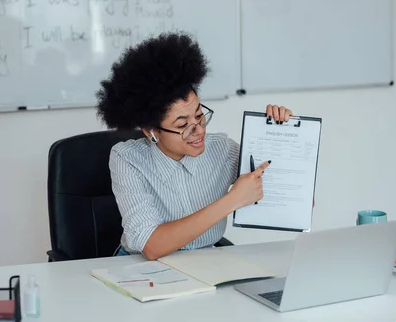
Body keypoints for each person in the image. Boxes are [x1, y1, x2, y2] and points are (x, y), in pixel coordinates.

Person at [95, 32, 294, 260]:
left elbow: (293, 201)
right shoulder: (127, 158)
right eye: (183, 125)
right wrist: (232, 200)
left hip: (204, 262)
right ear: (151, 131)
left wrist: (280, 134)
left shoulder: (222, 150)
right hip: (140, 267)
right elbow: (152, 246)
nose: (199, 130)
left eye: (199, 116)